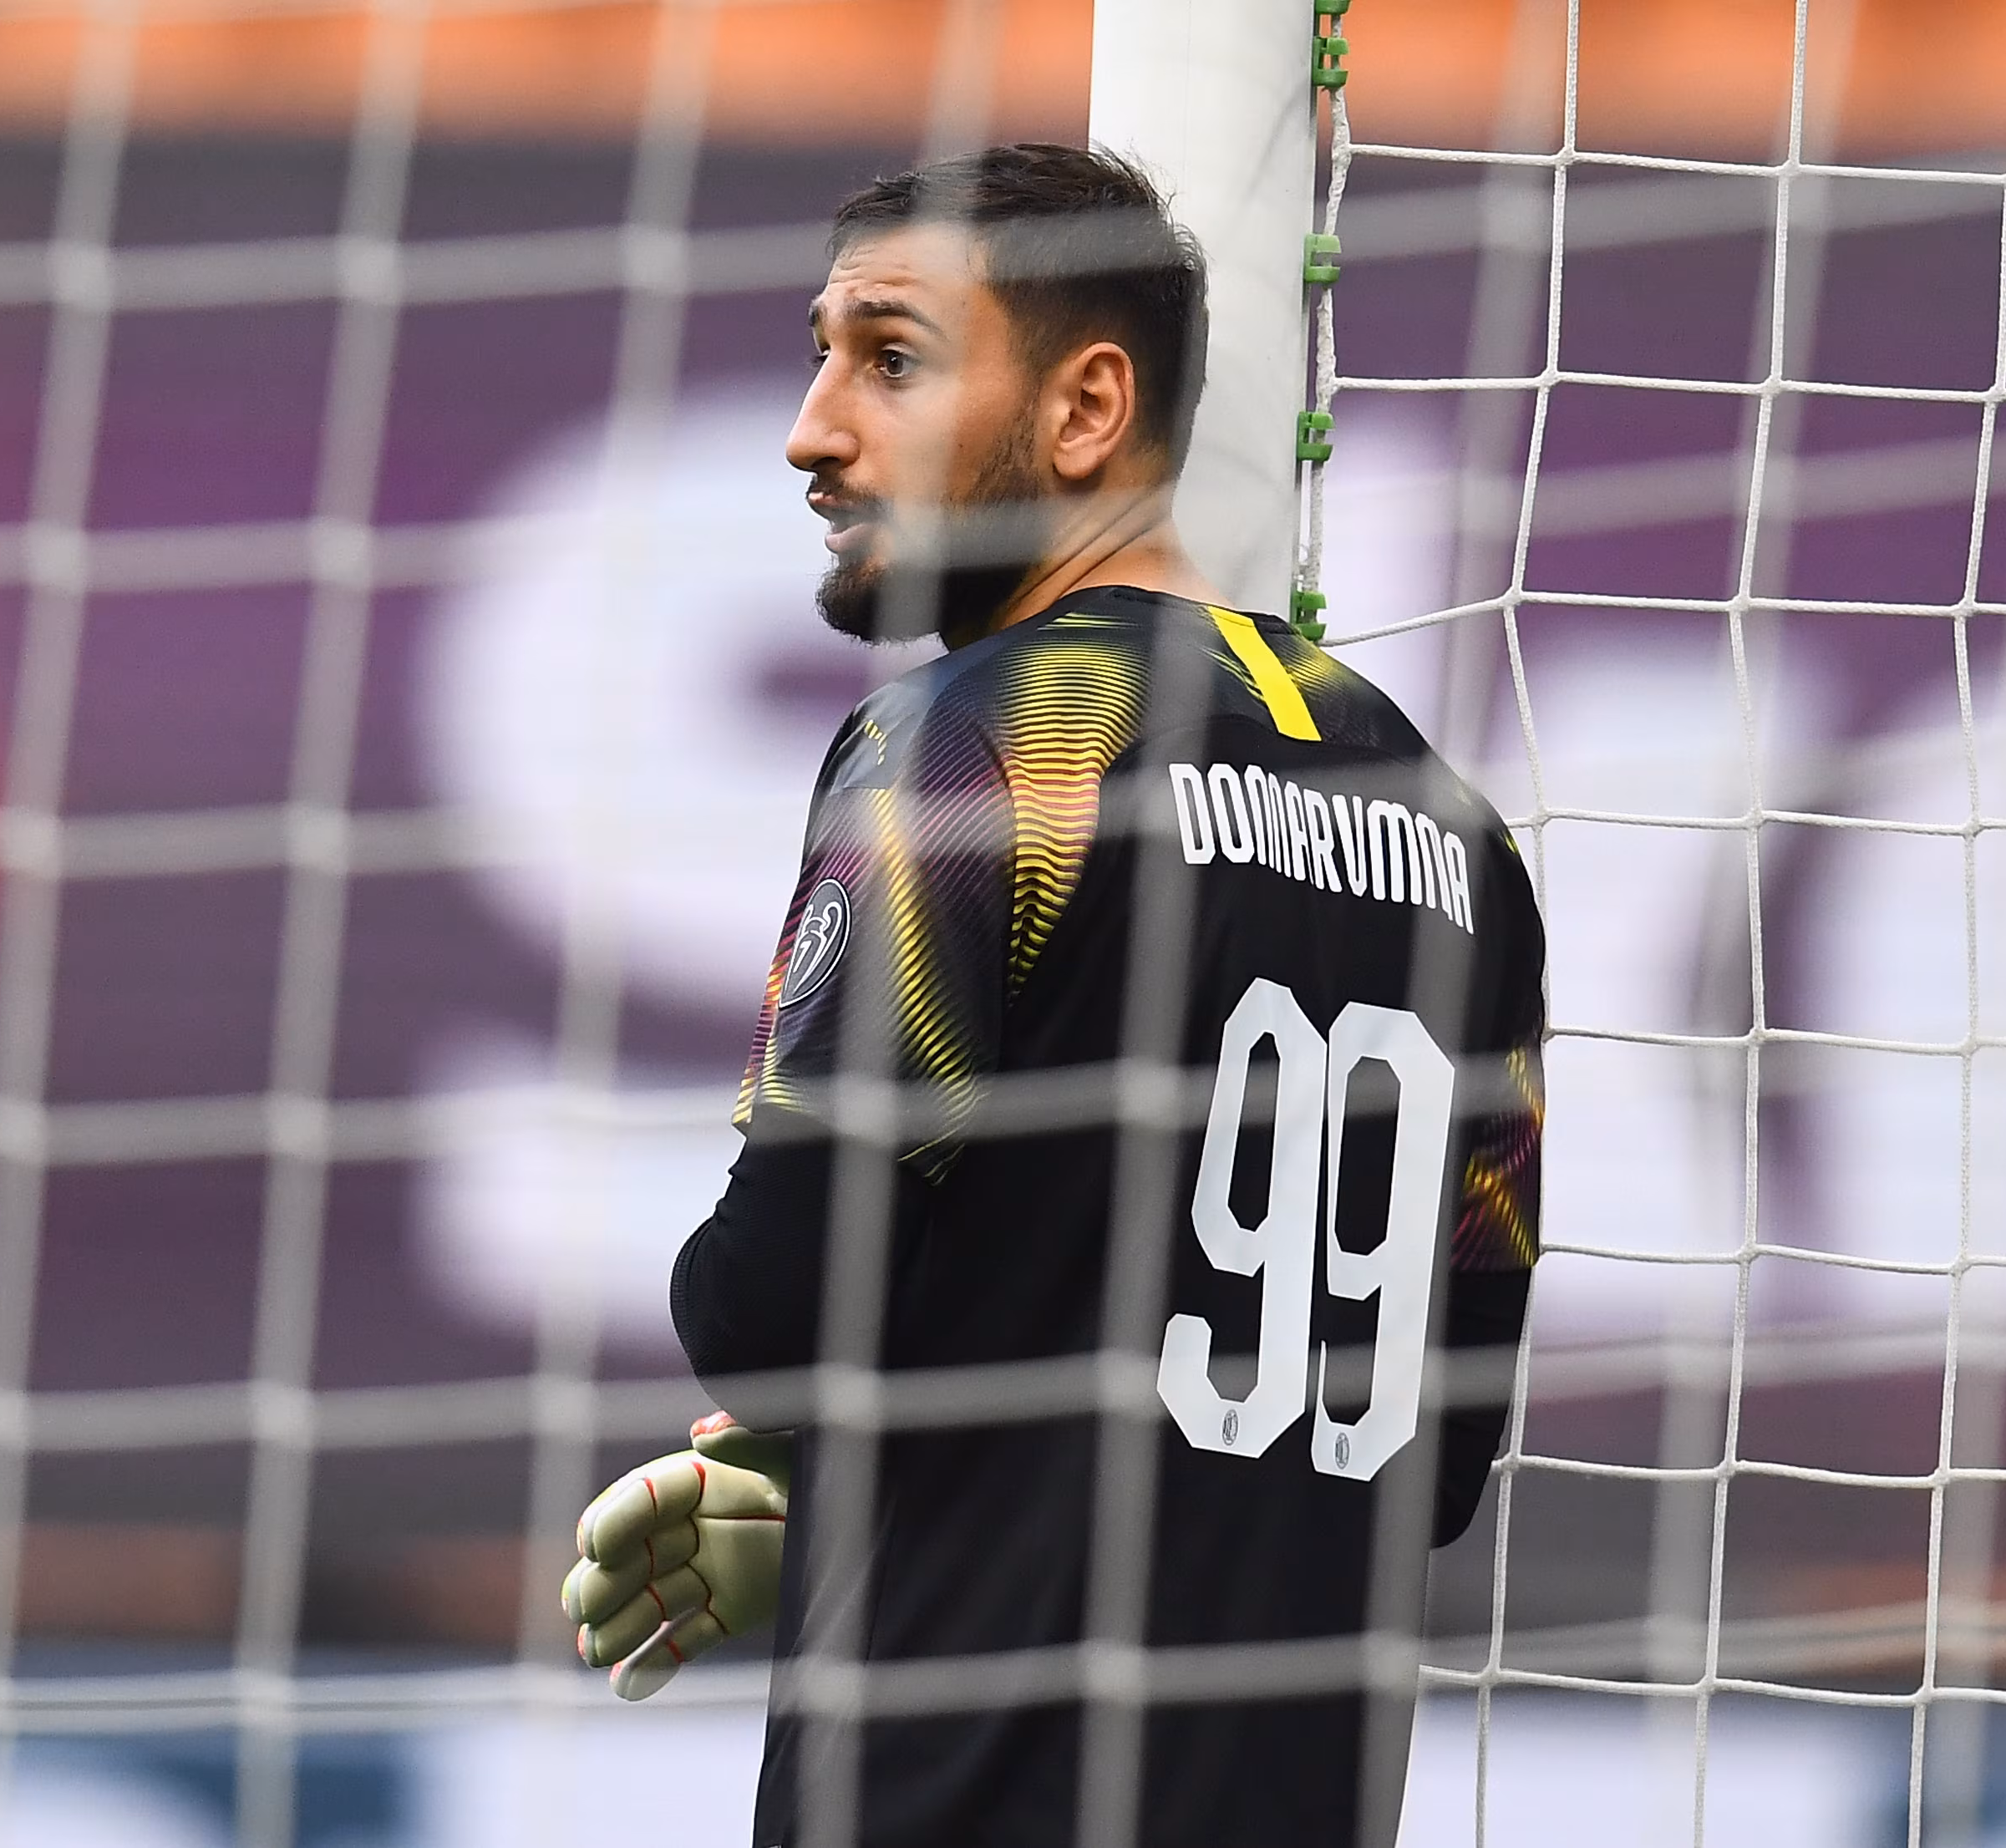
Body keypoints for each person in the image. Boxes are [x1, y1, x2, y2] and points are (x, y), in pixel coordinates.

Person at [561, 143, 1545, 1848]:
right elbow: (1434, 1463)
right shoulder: (1460, 834)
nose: (812, 431)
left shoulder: (983, 742)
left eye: (890, 359)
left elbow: (773, 1301)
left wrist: (801, 1445)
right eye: (820, 357)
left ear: (1087, 408)